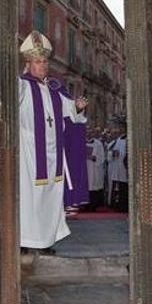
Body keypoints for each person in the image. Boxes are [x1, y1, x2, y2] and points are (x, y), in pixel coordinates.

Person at [18, 31, 88, 251]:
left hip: (53, 154)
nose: (44, 66)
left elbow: (72, 113)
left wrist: (77, 106)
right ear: (28, 64)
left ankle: (46, 240)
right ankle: (25, 240)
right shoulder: (22, 86)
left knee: (50, 196)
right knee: (29, 198)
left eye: (45, 61)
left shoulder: (55, 90)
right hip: (29, 152)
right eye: (38, 62)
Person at [106, 119, 128, 212]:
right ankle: (116, 205)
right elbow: (110, 153)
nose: (120, 129)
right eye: (120, 127)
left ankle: (125, 206)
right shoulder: (117, 140)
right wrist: (113, 154)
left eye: (122, 127)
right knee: (116, 188)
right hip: (116, 168)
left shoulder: (128, 140)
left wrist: (121, 155)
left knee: (124, 188)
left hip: (124, 169)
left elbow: (128, 153)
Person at [85, 128, 107, 211]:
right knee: (86, 186)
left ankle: (93, 206)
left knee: (93, 186)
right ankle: (85, 205)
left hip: (94, 168)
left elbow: (102, 157)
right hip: (85, 168)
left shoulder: (98, 144)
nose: (88, 134)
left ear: (93, 134)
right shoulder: (81, 142)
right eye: (87, 132)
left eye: (90, 132)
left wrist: (95, 158)